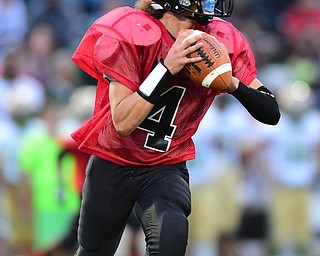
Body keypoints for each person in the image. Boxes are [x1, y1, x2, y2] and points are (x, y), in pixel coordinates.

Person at [70, 0, 280, 255]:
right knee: (94, 250)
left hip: (166, 162)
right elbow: (123, 123)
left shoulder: (217, 40)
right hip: (115, 159)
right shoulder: (132, 31)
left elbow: (271, 112)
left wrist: (234, 85)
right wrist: (167, 68)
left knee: (171, 241)